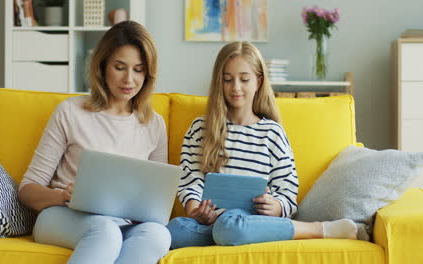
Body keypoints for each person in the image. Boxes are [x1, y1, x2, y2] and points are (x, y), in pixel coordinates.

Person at [167, 41, 358, 249]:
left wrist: (276, 206)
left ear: (258, 81)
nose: (236, 87)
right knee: (173, 231)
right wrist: (195, 211)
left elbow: (287, 189)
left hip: (249, 221)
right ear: (218, 83)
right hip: (209, 224)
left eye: (244, 79)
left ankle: (314, 229)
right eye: (227, 80)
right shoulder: (200, 128)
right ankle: (230, 235)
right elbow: (190, 181)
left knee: (230, 226)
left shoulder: (271, 133)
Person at [19, 21, 171, 264]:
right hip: (62, 216)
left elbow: (156, 203)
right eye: (120, 67)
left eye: (139, 69)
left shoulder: (154, 124)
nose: (129, 79)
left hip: (123, 223)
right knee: (105, 232)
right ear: (102, 66)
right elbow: (27, 189)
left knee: (158, 235)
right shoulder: (70, 112)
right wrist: (63, 196)